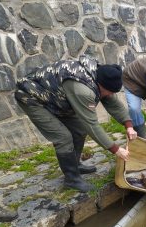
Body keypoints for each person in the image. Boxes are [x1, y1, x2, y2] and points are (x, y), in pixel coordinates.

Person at [14, 55, 137, 193]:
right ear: (101, 86)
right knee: (63, 137)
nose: (110, 95)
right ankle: (72, 179)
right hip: (32, 97)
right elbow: (91, 124)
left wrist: (129, 126)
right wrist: (116, 149)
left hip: (55, 98)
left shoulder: (100, 76)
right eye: (109, 92)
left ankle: (75, 164)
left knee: (79, 129)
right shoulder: (82, 89)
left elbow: (113, 103)